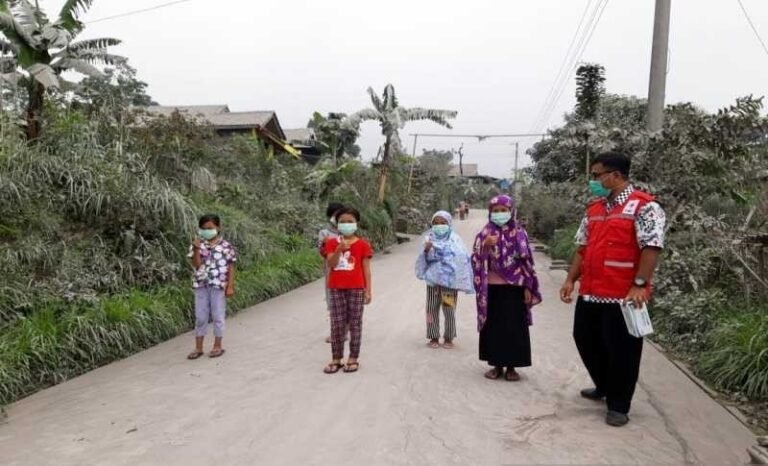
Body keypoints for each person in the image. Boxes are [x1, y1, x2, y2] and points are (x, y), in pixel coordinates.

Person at [559, 151, 666, 427]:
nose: (593, 180)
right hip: (592, 290)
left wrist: (640, 284)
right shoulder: (594, 209)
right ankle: (604, 384)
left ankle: (619, 404)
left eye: (597, 175)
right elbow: (582, 248)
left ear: (615, 175)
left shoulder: (644, 207)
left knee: (623, 350)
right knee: (585, 338)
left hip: (623, 295)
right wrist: (571, 279)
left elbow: (651, 247)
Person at [472, 195, 541, 381]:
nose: (500, 214)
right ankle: (496, 365)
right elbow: (475, 260)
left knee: (513, 327)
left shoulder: (519, 233)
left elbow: (527, 263)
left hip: (515, 288)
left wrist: (528, 287)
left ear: (511, 211)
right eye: (496, 211)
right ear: (490, 213)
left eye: (503, 210)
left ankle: (512, 367)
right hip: (492, 289)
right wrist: (485, 247)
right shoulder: (484, 233)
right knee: (494, 326)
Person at [322, 207, 373, 374]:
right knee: (336, 324)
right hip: (336, 288)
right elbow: (331, 264)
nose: (346, 224)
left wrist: (368, 290)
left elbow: (366, 269)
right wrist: (338, 249)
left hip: (357, 289)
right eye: (342, 222)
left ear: (357, 223)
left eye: (350, 221)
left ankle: (353, 358)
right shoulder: (330, 243)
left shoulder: (363, 245)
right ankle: (336, 359)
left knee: (355, 324)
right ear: (337, 225)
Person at [415, 211, 474, 349]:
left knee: (449, 311)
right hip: (433, 283)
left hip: (449, 284)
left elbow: (462, 258)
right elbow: (423, 260)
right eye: (435, 223)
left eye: (443, 223)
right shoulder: (428, 238)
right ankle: (433, 337)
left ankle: (449, 338)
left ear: (449, 224)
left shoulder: (456, 240)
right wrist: (427, 250)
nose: (439, 226)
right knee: (431, 310)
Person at [187, 214, 237, 359]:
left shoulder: (226, 246)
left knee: (217, 315)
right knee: (200, 317)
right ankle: (198, 347)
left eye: (210, 228)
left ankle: (217, 345)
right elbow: (196, 266)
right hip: (201, 284)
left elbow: (231, 266)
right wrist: (196, 250)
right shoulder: (197, 244)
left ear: (218, 227)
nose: (206, 231)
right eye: (203, 228)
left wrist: (230, 286)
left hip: (219, 285)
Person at [318, 202, 345, 343]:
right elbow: (322, 252)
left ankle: (345, 330)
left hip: (348, 272)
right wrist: (328, 244)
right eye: (336, 215)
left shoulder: (348, 232)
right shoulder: (324, 233)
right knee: (333, 302)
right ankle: (336, 332)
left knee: (346, 301)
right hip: (331, 273)